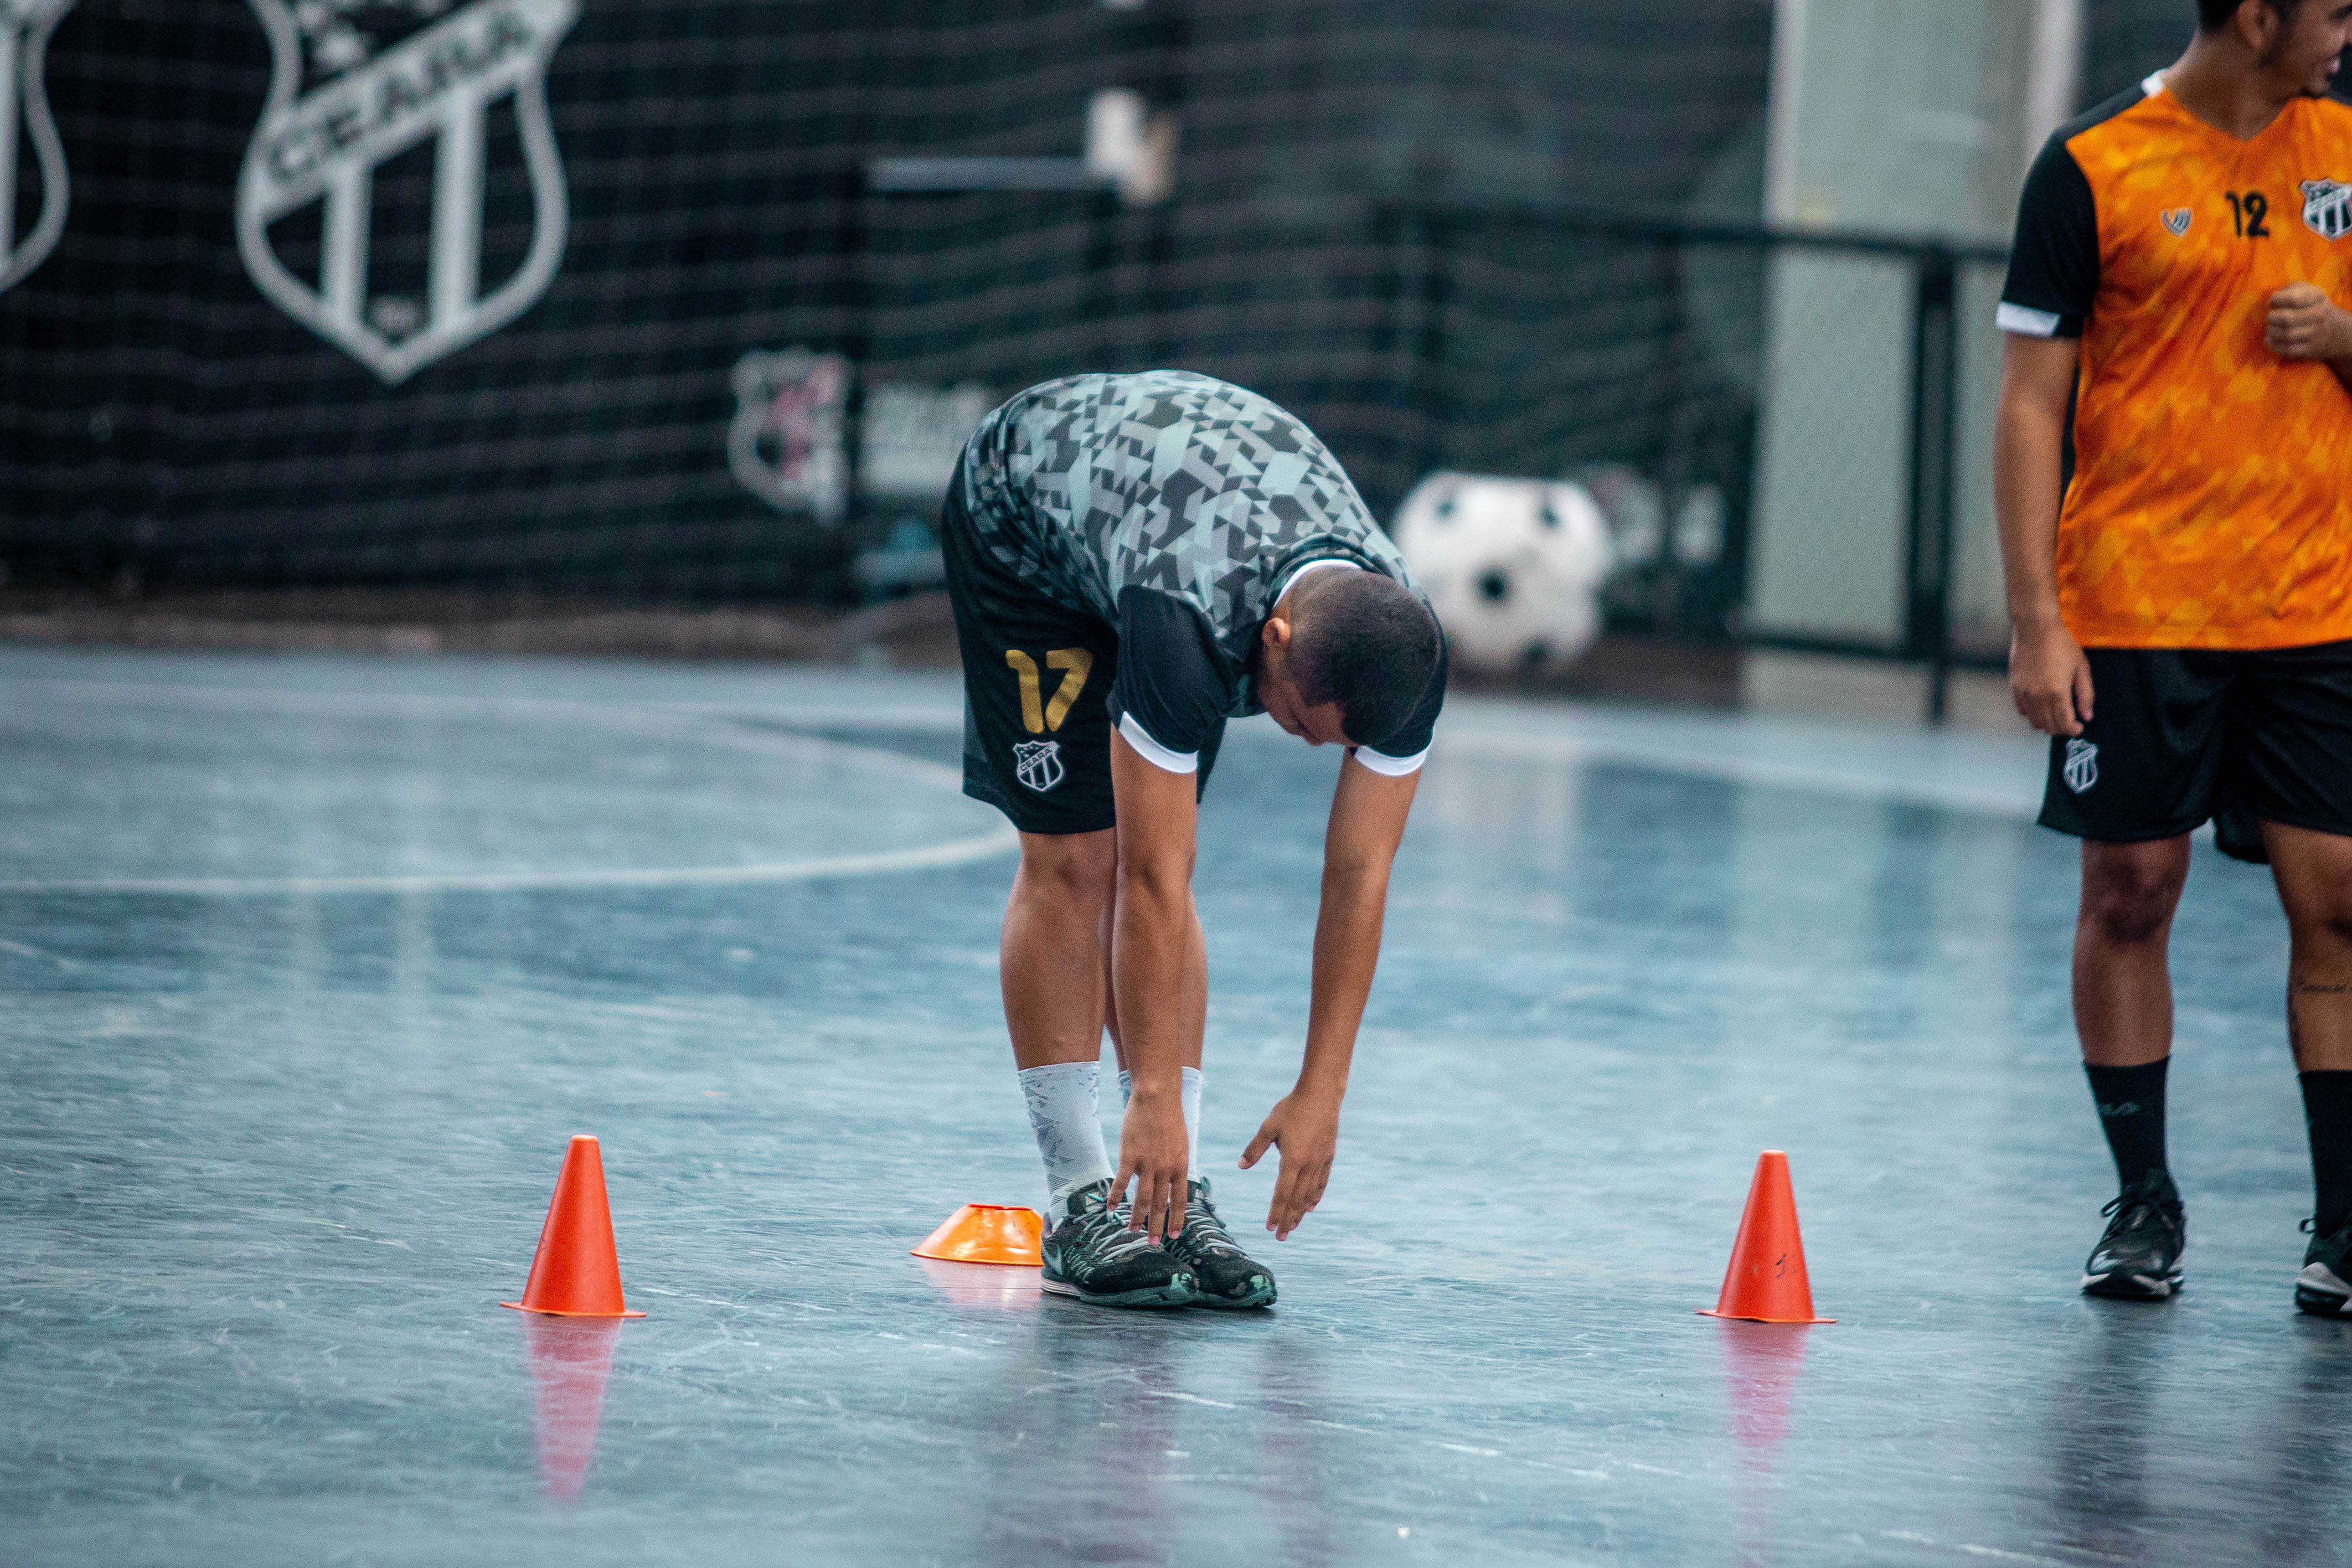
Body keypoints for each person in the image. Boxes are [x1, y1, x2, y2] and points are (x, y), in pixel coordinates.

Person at [943, 369, 1446, 1309]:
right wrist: (1155, 1099)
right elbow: (1153, 877)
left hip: (1156, 519)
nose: (1310, 748)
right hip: (1026, 525)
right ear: (1275, 641)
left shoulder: (1406, 651)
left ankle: (1168, 1203)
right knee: (1080, 853)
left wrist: (1322, 1089)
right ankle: (1082, 1197)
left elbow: (1361, 871)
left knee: (1153, 858)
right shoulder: (1190, 620)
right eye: (1299, 724)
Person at [1993, 0, 2352, 1311]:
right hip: (2138, 602)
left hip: (2318, 605)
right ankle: (2144, 1205)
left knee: (2341, 901)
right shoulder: (2092, 168)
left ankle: (2344, 1229)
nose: (2346, 34)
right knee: (2132, 892)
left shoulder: (2348, 155)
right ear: (2256, 16)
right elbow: (2032, 404)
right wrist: (2039, 615)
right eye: (2333, 11)